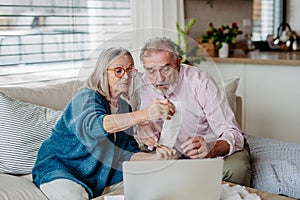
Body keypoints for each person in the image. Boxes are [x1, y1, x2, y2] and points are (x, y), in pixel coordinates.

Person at [32, 47, 177, 200]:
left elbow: (127, 153)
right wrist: (146, 114)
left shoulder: (123, 107)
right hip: (61, 168)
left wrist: (157, 158)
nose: (126, 76)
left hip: (100, 173)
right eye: (119, 71)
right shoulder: (85, 97)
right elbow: (96, 126)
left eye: (130, 70)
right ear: (103, 72)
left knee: (153, 182)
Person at [136, 37, 251, 186]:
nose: (159, 79)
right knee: (136, 167)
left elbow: (232, 132)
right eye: (151, 71)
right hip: (171, 150)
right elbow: (147, 123)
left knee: (238, 168)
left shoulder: (201, 83)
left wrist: (211, 148)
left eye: (166, 68)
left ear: (178, 63)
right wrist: (145, 127)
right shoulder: (146, 82)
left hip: (210, 148)